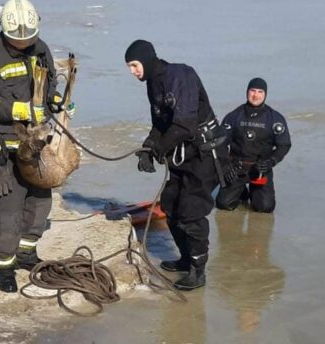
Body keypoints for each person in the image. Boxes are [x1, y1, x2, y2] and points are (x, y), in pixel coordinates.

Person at [0, 0, 62, 293]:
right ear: (4, 30)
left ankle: (26, 252)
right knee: (6, 211)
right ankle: (3, 266)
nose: (25, 43)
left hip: (36, 147)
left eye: (29, 38)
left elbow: (51, 83)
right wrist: (20, 110)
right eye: (18, 39)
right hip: (4, 149)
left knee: (39, 202)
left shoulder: (41, 48)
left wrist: (55, 101)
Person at [125, 39, 228, 290]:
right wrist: (147, 149)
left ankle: (198, 271)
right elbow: (160, 124)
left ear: (147, 60)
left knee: (192, 213)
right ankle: (185, 259)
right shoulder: (153, 84)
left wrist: (159, 148)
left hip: (204, 155)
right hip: (182, 154)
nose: (133, 71)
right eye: (129, 67)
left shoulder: (181, 75)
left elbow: (184, 123)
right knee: (171, 207)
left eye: (135, 65)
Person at [216, 78, 291, 213]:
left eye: (260, 92)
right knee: (224, 204)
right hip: (236, 168)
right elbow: (219, 143)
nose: (256, 95)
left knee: (264, 208)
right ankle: (241, 192)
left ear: (265, 94)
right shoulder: (233, 116)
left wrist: (271, 161)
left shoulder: (275, 118)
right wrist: (226, 166)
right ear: (247, 92)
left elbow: (284, 145)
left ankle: (255, 193)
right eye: (253, 91)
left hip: (261, 169)